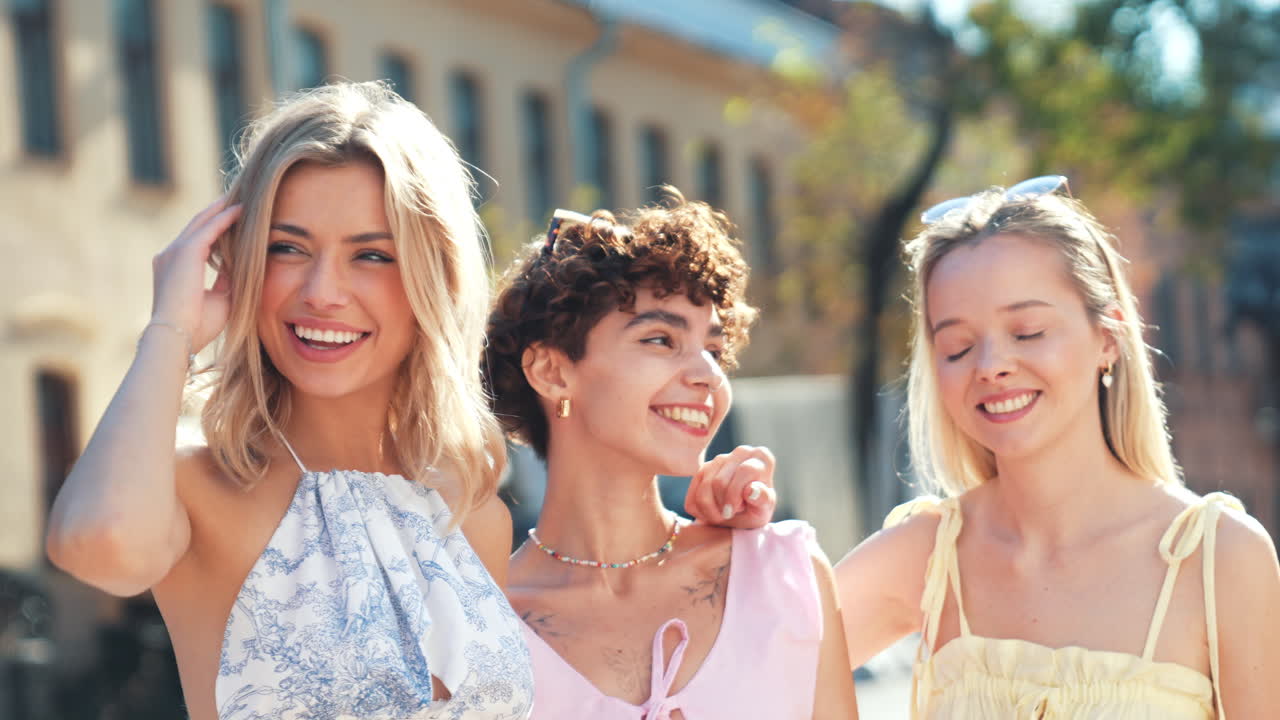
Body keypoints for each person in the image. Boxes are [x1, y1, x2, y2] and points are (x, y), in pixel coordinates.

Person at [45, 81, 534, 720]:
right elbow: (98, 544)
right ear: (244, 261)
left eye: (371, 255)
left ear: (432, 278)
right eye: (286, 247)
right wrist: (170, 328)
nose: (322, 291)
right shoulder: (200, 488)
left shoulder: (470, 513)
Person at [834, 177, 1280, 718]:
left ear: (1108, 339)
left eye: (1027, 332)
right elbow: (734, 679)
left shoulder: (1219, 558)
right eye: (957, 347)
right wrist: (720, 533)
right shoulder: (927, 555)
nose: (990, 365)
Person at [483, 194, 859, 719]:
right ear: (551, 371)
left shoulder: (782, 574)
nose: (708, 374)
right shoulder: (483, 627)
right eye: (661, 339)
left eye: (714, 348)